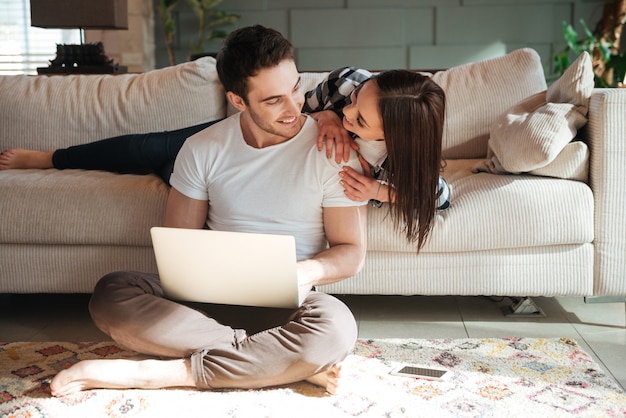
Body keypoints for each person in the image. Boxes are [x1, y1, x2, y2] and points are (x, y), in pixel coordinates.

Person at [49, 25, 368, 397]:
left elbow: (350, 252)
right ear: (237, 100)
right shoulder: (201, 149)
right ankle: (275, 360)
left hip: (287, 303)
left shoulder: (331, 151)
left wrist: (300, 272)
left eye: (296, 88)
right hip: (203, 306)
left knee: (336, 327)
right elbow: (179, 244)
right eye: (273, 100)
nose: (294, 107)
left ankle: (165, 373)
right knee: (111, 293)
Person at [0, 62, 449, 251]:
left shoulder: (399, 164)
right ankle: (49, 157)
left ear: (397, 139)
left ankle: (171, 173)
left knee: (165, 168)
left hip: (256, 165)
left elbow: (438, 196)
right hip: (249, 136)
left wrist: (376, 190)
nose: (352, 109)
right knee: (149, 147)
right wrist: (331, 116)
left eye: (361, 119)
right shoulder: (352, 84)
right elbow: (301, 108)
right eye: (356, 101)